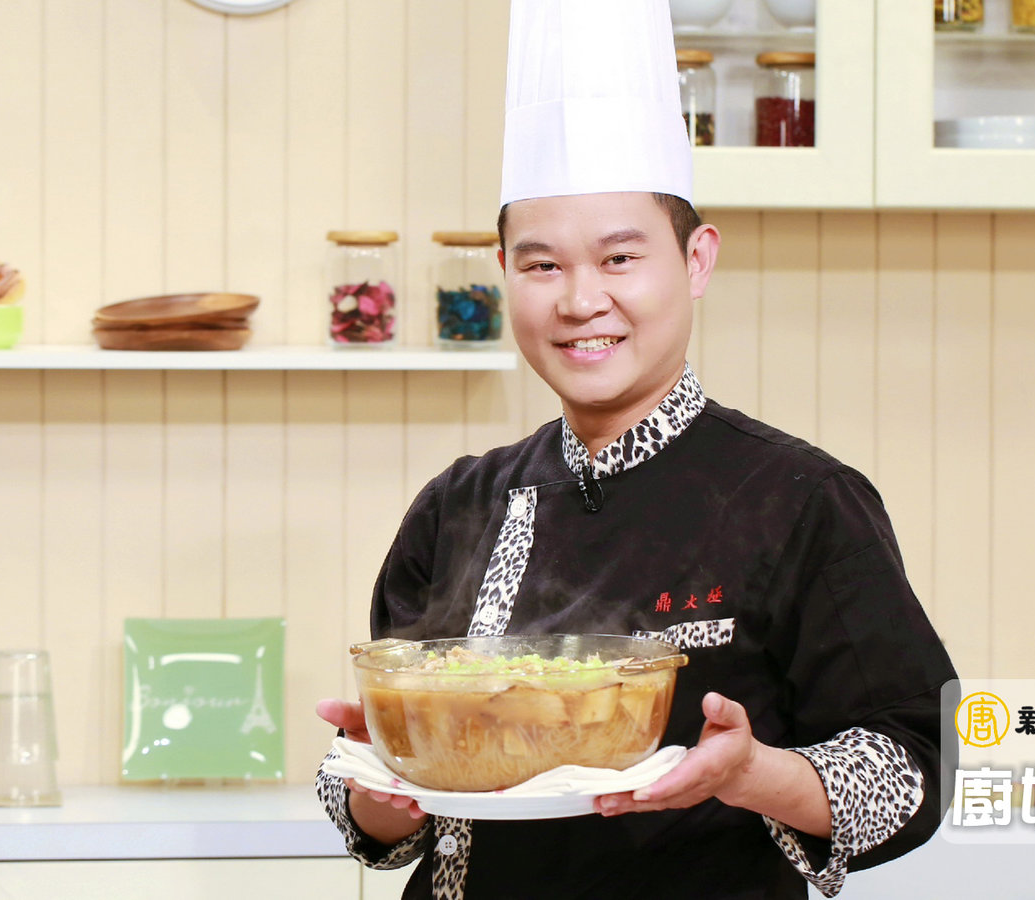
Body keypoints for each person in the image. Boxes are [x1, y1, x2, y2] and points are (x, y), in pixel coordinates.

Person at [316, 2, 957, 897]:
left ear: (696, 261)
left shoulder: (800, 497)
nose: (580, 301)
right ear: (504, 275)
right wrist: (378, 785)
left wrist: (751, 773)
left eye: (620, 259)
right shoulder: (458, 504)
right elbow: (381, 828)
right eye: (542, 265)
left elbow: (918, 766)